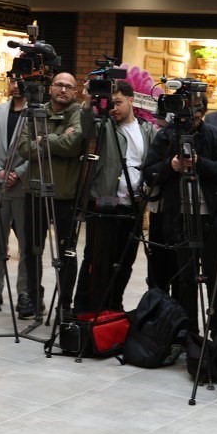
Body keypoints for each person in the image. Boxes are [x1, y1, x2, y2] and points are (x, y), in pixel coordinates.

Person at [141, 89, 217, 331]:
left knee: (215, 278)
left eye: (193, 115)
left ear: (202, 113)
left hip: (210, 217)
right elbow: (149, 172)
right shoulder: (167, 135)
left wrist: (199, 163)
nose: (187, 120)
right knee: (185, 278)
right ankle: (188, 331)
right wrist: (170, 166)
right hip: (178, 216)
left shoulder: (215, 136)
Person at [15, 72, 88, 316]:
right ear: (50, 88)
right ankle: (35, 299)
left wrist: (43, 140)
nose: (63, 90)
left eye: (69, 86)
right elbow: (24, 148)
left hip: (66, 196)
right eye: (59, 85)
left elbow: (74, 144)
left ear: (75, 92)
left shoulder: (77, 112)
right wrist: (59, 139)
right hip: (35, 193)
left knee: (67, 253)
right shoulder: (35, 112)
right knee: (32, 250)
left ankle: (65, 304)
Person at [77, 83, 148, 313]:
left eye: (118, 102)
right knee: (98, 260)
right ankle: (89, 309)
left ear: (131, 100)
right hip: (107, 201)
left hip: (134, 205)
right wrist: (88, 103)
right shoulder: (105, 125)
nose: (114, 108)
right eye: (110, 103)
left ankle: (114, 307)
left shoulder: (147, 130)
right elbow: (87, 128)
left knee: (125, 261)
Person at [0, 77, 32, 311]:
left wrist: (18, 173)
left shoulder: (36, 113)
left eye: (21, 82)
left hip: (23, 186)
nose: (16, 86)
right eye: (13, 81)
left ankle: (24, 293)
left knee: (26, 244)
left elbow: (38, 149)